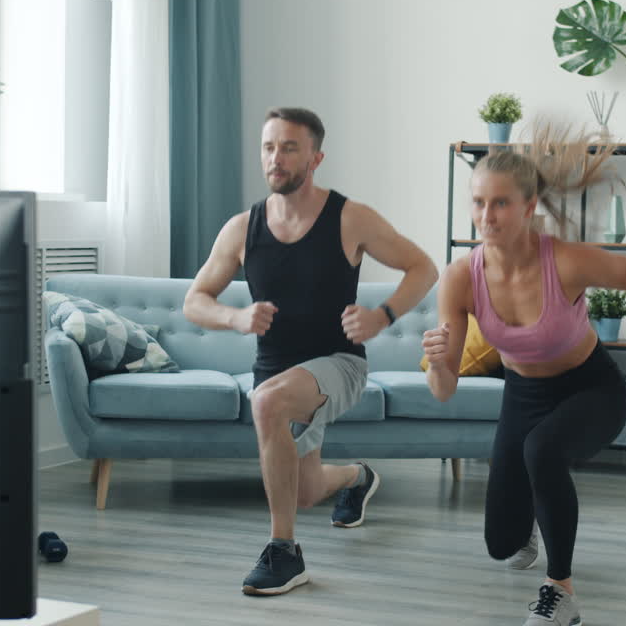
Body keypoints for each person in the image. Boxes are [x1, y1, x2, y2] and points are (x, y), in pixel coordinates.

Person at [421, 125, 626, 626]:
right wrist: (439, 363)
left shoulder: (565, 261)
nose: (486, 216)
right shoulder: (460, 278)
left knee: (541, 450)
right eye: (478, 202)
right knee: (502, 544)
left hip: (591, 388)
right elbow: (444, 390)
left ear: (529, 207)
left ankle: (560, 591)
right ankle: (531, 518)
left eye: (500, 203)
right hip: (523, 396)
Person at [184, 107, 438, 596]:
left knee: (266, 402)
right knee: (304, 492)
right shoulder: (242, 228)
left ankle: (284, 553)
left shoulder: (349, 217)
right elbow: (194, 301)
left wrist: (381, 316)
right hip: (276, 372)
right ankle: (358, 478)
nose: (275, 158)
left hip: (340, 365)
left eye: (289, 148)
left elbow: (423, 267)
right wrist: (236, 317)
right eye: (268, 147)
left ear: (315, 158)